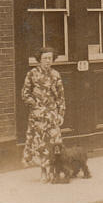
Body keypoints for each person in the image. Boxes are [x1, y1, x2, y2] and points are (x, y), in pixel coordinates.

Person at [21, 46, 66, 182]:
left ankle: (53, 171)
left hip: (52, 115)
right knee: (40, 145)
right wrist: (35, 105)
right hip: (38, 116)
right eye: (45, 58)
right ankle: (43, 172)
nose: (48, 61)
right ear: (39, 60)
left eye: (50, 58)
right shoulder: (32, 74)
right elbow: (25, 94)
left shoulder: (55, 75)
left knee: (54, 144)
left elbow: (61, 96)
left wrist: (61, 114)